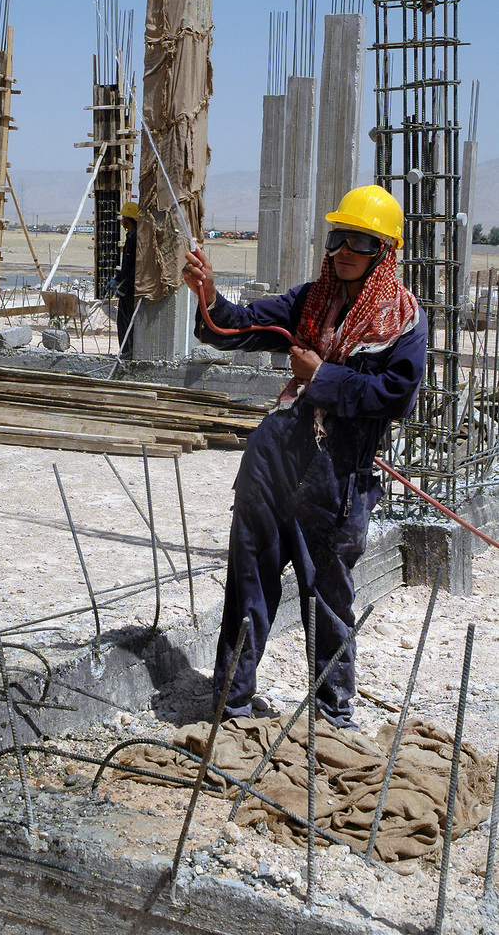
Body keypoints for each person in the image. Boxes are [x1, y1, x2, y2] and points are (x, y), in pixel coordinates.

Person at [181, 185, 428, 729]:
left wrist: (322, 377)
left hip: (338, 475)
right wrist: (208, 294)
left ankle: (332, 716)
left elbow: (396, 395)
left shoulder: (403, 324)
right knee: (251, 579)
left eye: (359, 241)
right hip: (275, 458)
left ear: (385, 252)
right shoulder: (310, 299)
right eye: (338, 237)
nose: (343, 249)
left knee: (328, 595)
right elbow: (235, 326)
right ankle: (232, 705)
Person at [114, 201, 138, 358]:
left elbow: (137, 267)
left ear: (128, 219)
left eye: (123, 218)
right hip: (127, 285)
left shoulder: (136, 238)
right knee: (122, 320)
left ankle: (129, 352)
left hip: (131, 290)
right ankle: (125, 350)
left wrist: (125, 286)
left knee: (127, 321)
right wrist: (117, 279)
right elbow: (127, 267)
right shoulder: (131, 237)